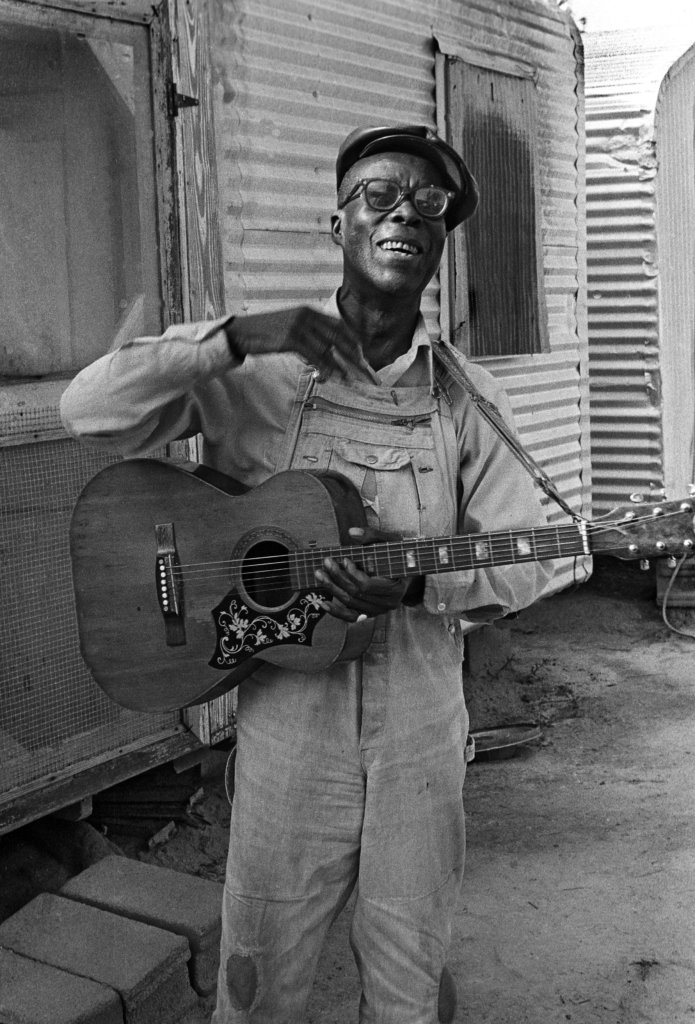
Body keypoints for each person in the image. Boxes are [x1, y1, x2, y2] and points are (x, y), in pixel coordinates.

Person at [61, 124, 552, 1024]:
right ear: (338, 223)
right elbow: (86, 410)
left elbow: (544, 553)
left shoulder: (469, 399)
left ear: (441, 239)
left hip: (419, 725)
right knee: (258, 978)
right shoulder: (255, 368)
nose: (403, 209)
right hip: (287, 730)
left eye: (428, 203)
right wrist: (232, 338)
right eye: (376, 193)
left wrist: (414, 585)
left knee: (407, 977)